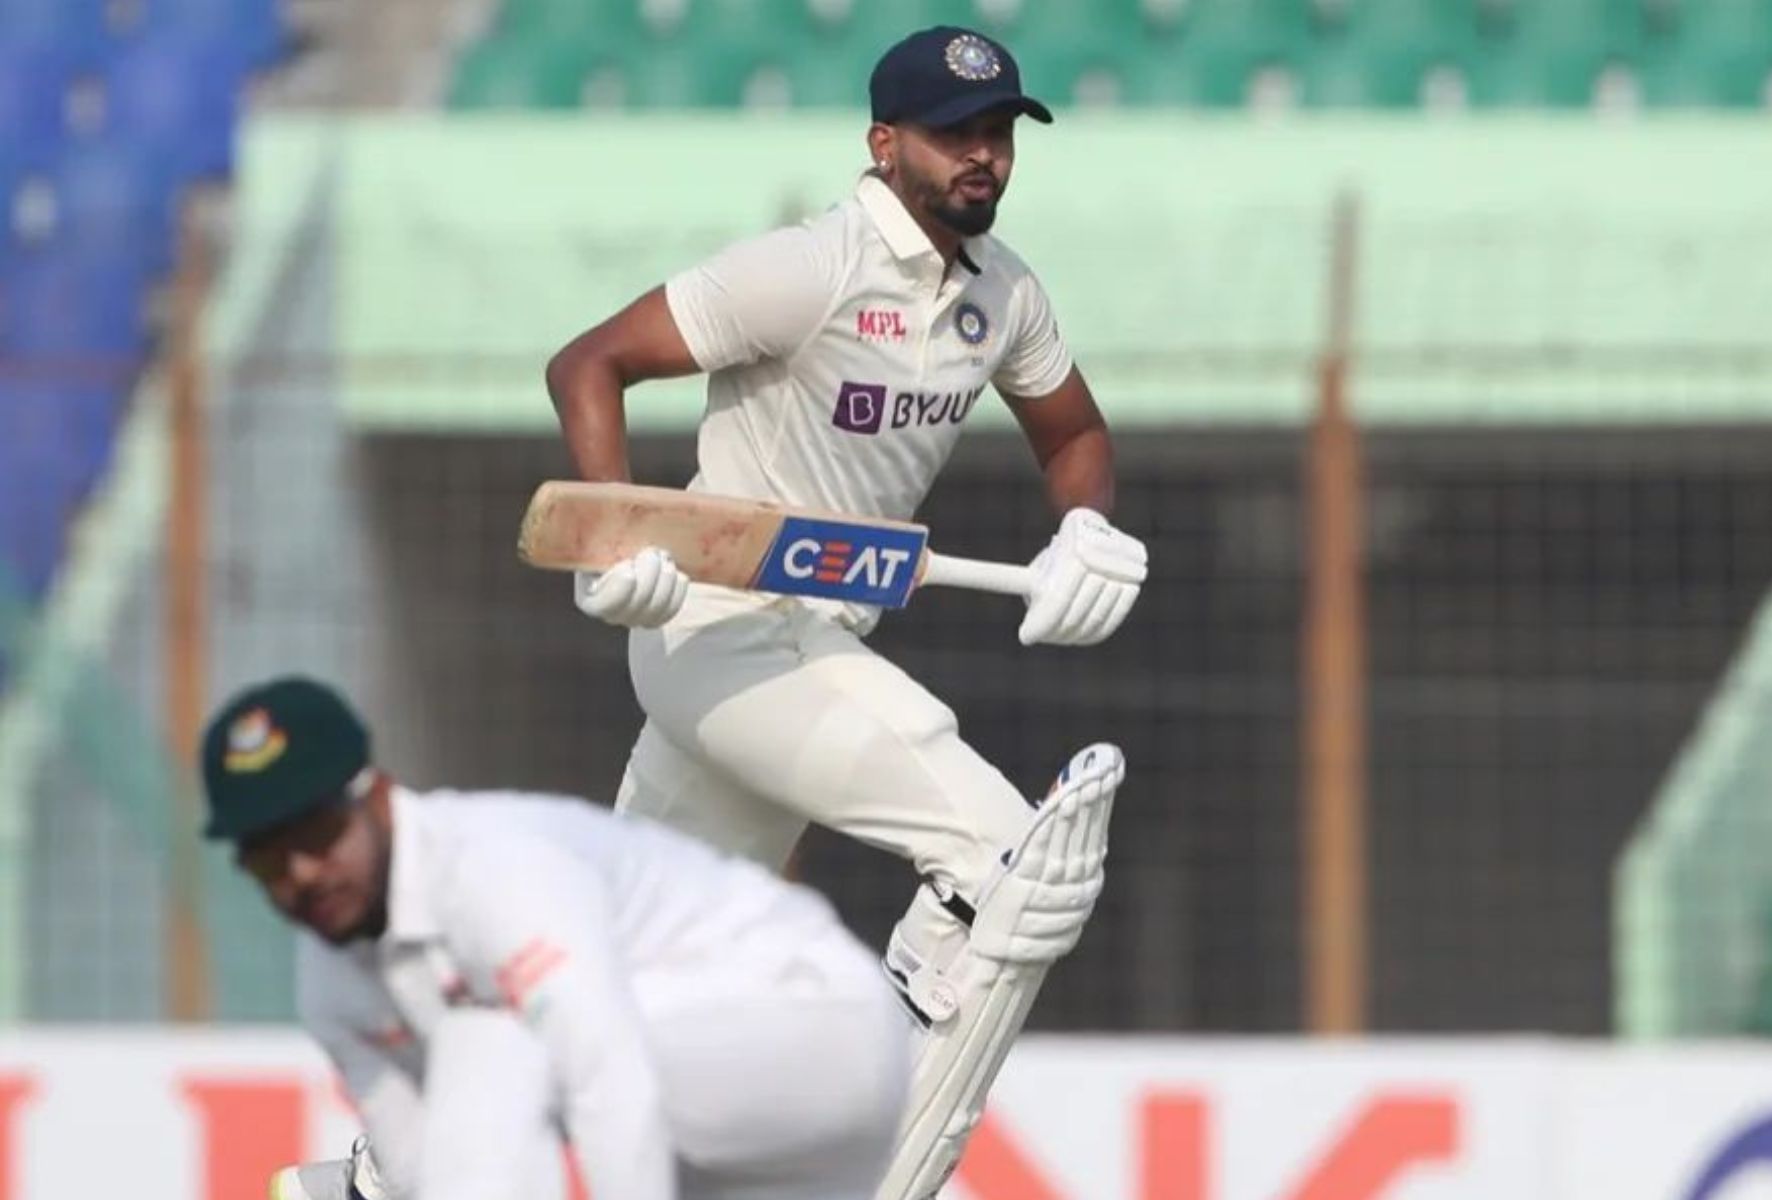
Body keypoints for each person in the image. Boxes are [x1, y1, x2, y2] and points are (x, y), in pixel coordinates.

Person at [544, 25, 1143, 1199]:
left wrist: (1085, 527)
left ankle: (371, 1178)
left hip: (810, 642)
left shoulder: (1002, 296)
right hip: (712, 628)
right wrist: (615, 538)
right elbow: (589, 364)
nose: (983, 157)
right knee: (1007, 858)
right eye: (953, 134)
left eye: (999, 134)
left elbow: (1073, 435)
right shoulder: (806, 268)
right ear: (884, 144)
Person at [202, 676, 908, 1200]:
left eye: (320, 837)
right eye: (268, 861)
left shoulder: (490, 869)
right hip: (722, 1097)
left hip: (821, 1022)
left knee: (499, 1045)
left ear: (380, 798)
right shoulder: (329, 980)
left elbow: (611, 1078)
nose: (302, 875)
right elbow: (418, 1172)